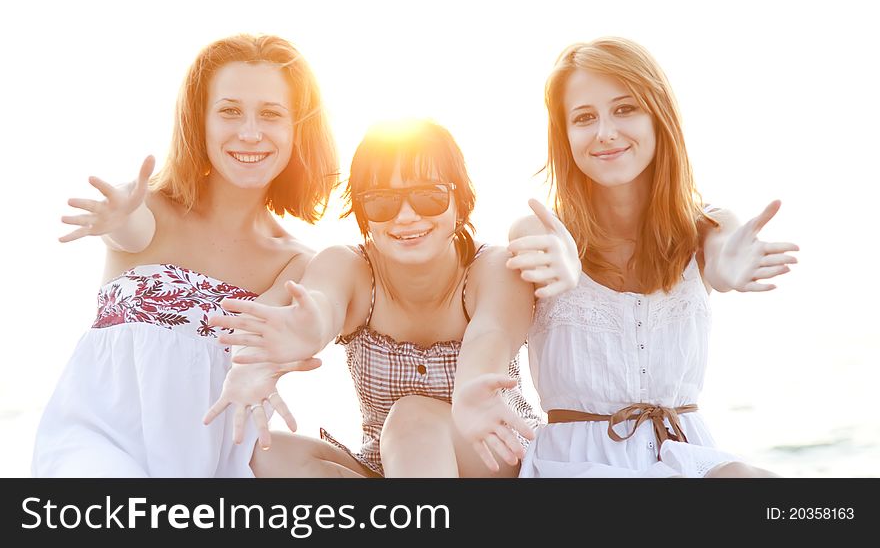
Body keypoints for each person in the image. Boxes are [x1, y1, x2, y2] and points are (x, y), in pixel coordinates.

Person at [32, 34, 338, 477]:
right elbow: (129, 230)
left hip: (209, 466)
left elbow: (277, 340)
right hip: (94, 446)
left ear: (297, 131)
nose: (249, 132)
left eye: (271, 114)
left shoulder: (295, 262)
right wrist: (117, 215)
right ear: (200, 121)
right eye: (229, 111)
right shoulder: (151, 211)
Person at [205, 119, 580, 477]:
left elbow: (491, 335)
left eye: (428, 197)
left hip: (493, 453)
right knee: (263, 455)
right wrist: (299, 334)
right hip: (390, 463)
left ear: (460, 202)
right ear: (364, 213)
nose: (405, 216)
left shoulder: (491, 267)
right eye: (382, 202)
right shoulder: (351, 267)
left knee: (411, 417)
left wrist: (471, 389)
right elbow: (323, 303)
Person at [497, 37, 799, 477]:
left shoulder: (708, 229)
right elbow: (534, 244)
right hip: (578, 466)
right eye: (584, 118)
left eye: (624, 109)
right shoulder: (541, 231)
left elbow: (721, 255)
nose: (605, 132)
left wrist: (727, 269)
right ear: (565, 136)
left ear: (659, 116)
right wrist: (563, 265)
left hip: (687, 456)